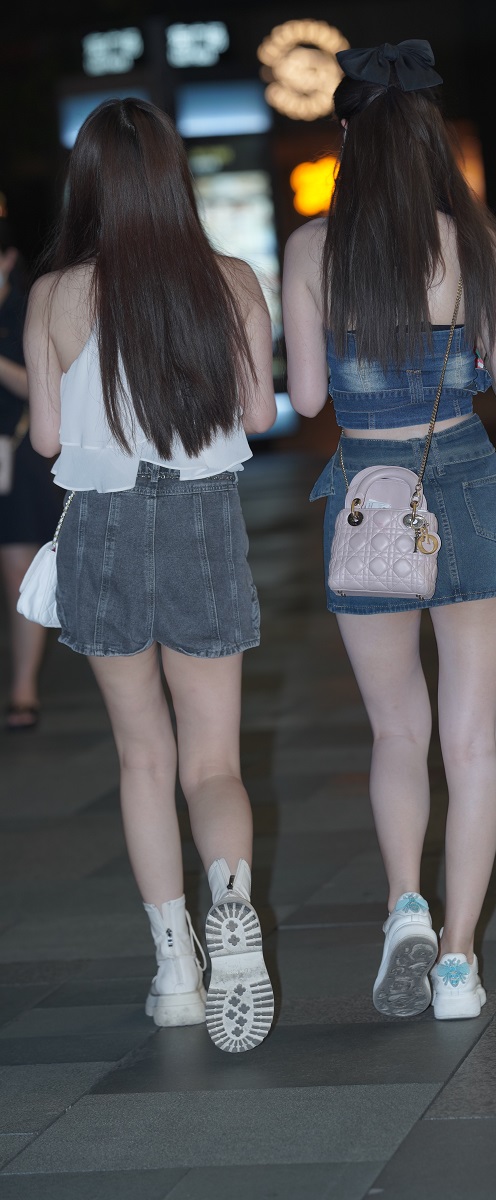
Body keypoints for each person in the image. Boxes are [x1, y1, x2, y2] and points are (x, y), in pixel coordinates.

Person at [283, 40, 496, 1020]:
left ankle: (405, 906)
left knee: (396, 731)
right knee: (472, 746)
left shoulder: (313, 250)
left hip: (367, 496)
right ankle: (459, 964)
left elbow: (309, 397)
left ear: (349, 139)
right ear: (429, 138)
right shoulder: (471, 242)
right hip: (466, 486)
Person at [24, 98, 277, 1052]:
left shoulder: (56, 294)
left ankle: (176, 970)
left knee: (143, 757)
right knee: (215, 761)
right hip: (204, 517)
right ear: (174, 175)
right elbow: (259, 412)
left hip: (104, 526)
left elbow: (48, 439)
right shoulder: (230, 279)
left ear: (88, 182)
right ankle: (233, 899)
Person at [0, 220, 61, 731]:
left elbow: (43, 389)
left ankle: (24, 686)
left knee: (18, 573)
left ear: (7, 259)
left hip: (16, 455)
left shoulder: (26, 309)